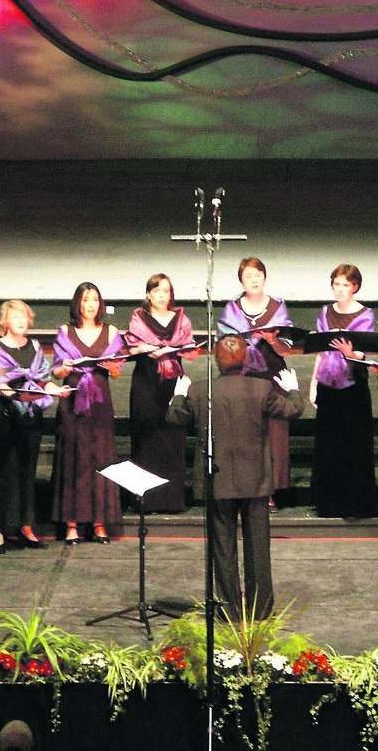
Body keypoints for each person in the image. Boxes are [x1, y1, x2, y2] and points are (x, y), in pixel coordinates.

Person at [166, 334, 304, 622]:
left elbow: (175, 417)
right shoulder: (261, 388)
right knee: (258, 548)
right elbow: (293, 410)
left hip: (218, 480)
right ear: (245, 359)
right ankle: (260, 610)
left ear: (217, 359)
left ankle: (229, 611)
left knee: (223, 547)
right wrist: (293, 389)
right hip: (255, 480)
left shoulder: (201, 391)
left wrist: (178, 393)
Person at [0, 300, 69, 555]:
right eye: (15, 317)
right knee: (5, 472)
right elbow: (1, 385)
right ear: (6, 321)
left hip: (31, 417)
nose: (20, 321)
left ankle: (26, 525)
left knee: (27, 470)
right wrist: (18, 396)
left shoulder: (34, 347)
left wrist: (56, 390)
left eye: (24, 317)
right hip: (7, 416)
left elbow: (43, 380)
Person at [217, 256, 293, 510]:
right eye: (248, 276)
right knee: (246, 434)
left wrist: (271, 340)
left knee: (274, 435)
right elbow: (223, 347)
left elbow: (285, 349)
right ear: (241, 280)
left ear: (265, 277)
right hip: (243, 378)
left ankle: (271, 490)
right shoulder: (232, 309)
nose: (254, 280)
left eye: (258, 275)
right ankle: (247, 488)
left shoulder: (277, 307)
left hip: (272, 377)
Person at [51, 282, 125, 544]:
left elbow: (117, 372)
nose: (91, 304)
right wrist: (65, 367)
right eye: (85, 300)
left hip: (100, 404)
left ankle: (99, 522)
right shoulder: (65, 332)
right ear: (77, 304)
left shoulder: (111, 331)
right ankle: (71, 524)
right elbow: (56, 371)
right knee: (74, 459)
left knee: (100, 458)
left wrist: (112, 367)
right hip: (73, 402)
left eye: (94, 299)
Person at [309, 263, 377, 519]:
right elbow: (320, 352)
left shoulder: (366, 315)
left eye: (345, 285)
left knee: (353, 445)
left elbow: (362, 355)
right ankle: (329, 503)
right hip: (328, 385)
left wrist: (350, 354)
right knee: (329, 446)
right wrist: (313, 383)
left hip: (353, 388)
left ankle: (355, 504)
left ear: (355, 287)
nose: (339, 289)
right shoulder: (325, 312)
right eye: (336, 284)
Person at [125, 273, 197, 513]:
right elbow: (131, 347)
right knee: (146, 437)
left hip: (172, 381)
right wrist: (144, 348)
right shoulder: (139, 317)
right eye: (156, 291)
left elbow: (189, 348)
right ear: (148, 294)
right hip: (146, 381)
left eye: (165, 291)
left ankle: (171, 500)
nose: (161, 295)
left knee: (172, 435)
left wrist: (175, 349)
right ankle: (146, 500)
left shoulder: (181, 320)